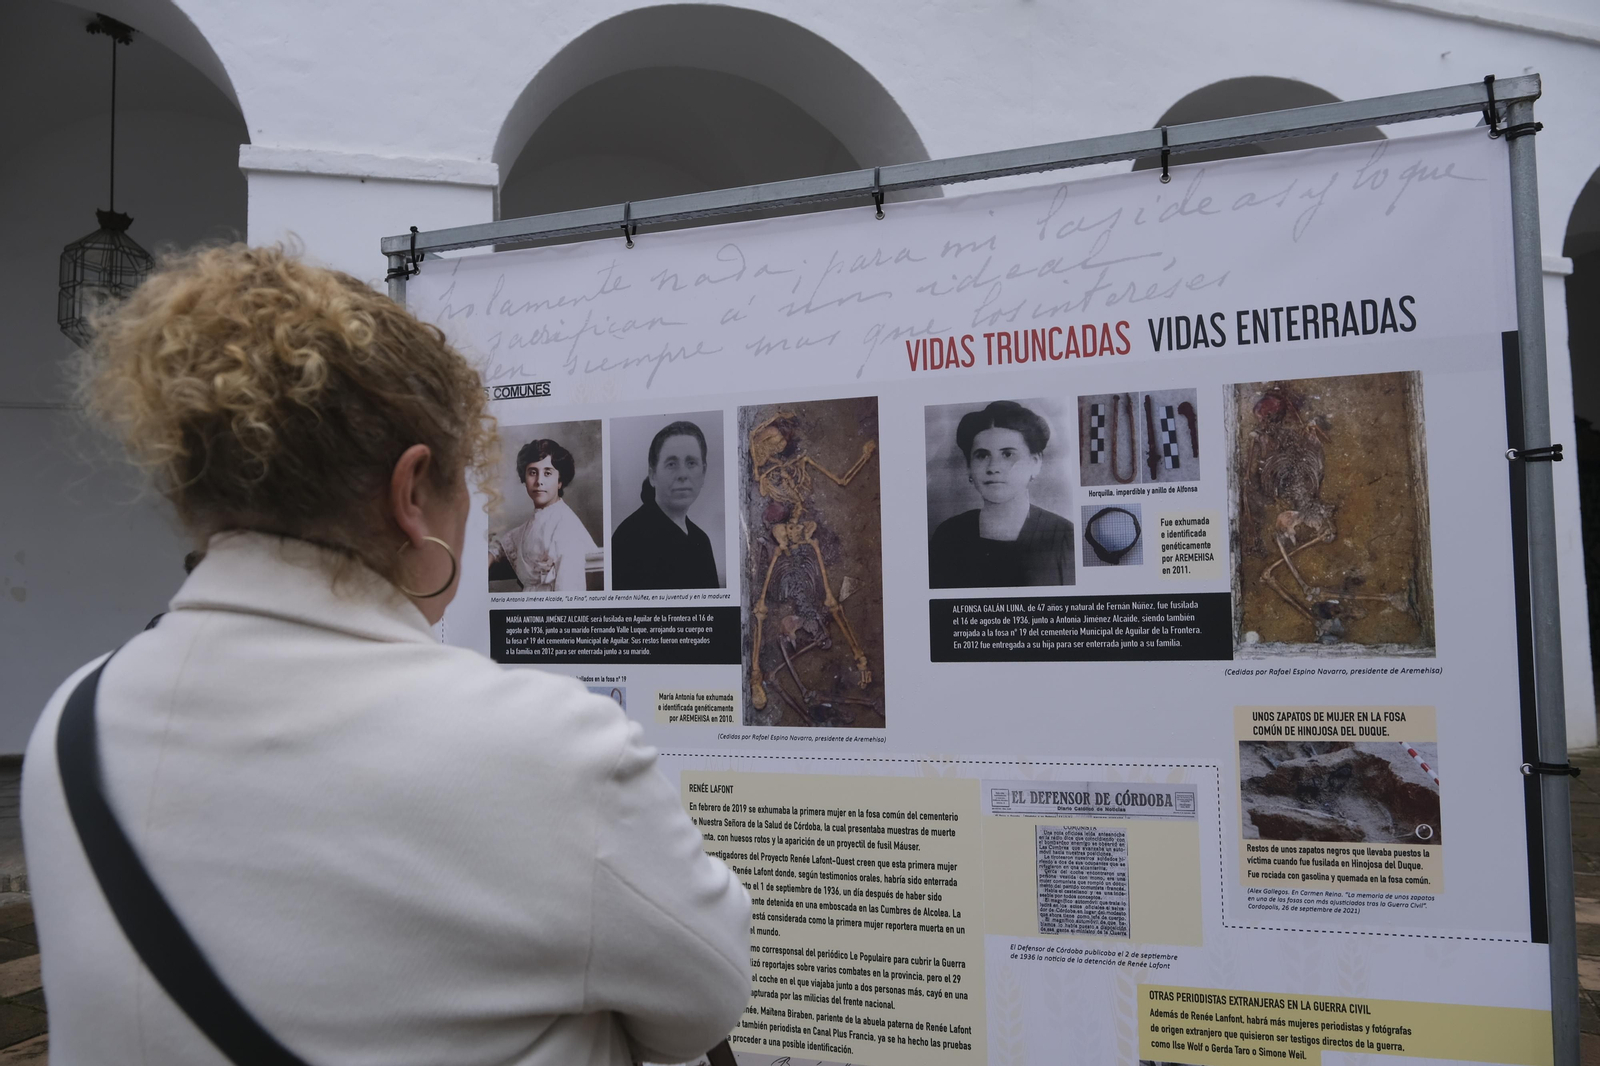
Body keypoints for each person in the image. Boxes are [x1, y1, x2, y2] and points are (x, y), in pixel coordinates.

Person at [22, 245, 750, 1066]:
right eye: (466, 488)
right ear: (412, 495)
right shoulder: (551, 749)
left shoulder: (71, 723)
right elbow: (702, 1005)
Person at [928, 399, 1075, 588]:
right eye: (982, 455)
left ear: (1035, 462)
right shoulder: (949, 536)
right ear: (968, 467)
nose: (993, 467)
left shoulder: (1064, 538)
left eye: (1007, 454)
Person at [612, 420, 721, 590]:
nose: (683, 475)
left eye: (691, 463)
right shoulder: (628, 539)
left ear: (703, 472)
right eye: (671, 464)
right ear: (653, 475)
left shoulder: (701, 541)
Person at [490, 438, 601, 592]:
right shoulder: (537, 520)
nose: (539, 481)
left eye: (547, 473)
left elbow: (568, 590)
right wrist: (491, 554)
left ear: (560, 481)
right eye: (533, 472)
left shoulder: (565, 525)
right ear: (524, 478)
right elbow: (508, 542)